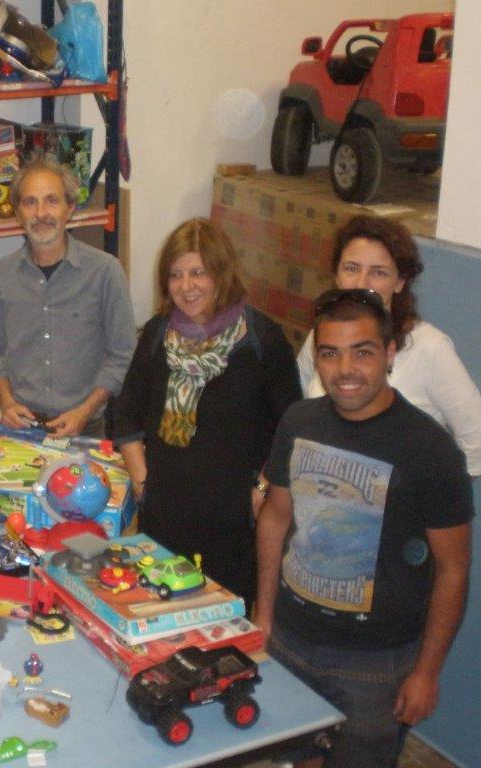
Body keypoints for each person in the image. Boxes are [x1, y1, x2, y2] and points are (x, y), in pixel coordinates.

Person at [256, 288, 473, 768]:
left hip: (376, 666)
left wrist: (427, 672)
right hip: (290, 641)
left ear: (390, 353)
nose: (345, 370)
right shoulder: (298, 420)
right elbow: (275, 516)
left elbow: (453, 569)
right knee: (295, 758)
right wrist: (265, 615)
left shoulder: (431, 450)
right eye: (330, 354)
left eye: (363, 352)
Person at [111, 218, 300, 607]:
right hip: (164, 518)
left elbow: (292, 429)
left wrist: (262, 490)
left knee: (225, 626)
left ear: (221, 273)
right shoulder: (157, 334)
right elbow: (126, 413)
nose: (186, 286)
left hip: (233, 525)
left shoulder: (262, 340)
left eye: (198, 272)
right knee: (162, 616)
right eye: (175, 274)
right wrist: (143, 483)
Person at [297, 214, 481, 476]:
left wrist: (436, 490)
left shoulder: (430, 348)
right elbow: (300, 407)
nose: (361, 284)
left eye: (378, 272)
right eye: (351, 268)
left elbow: (477, 439)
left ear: (400, 281)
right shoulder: (320, 337)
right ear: (336, 275)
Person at [0, 159, 135, 437]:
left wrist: (85, 411)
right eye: (30, 202)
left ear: (70, 208)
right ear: (17, 213)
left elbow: (122, 354)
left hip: (86, 426)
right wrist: (7, 402)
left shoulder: (104, 271)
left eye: (51, 201)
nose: (41, 213)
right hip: (21, 424)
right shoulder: (1, 274)